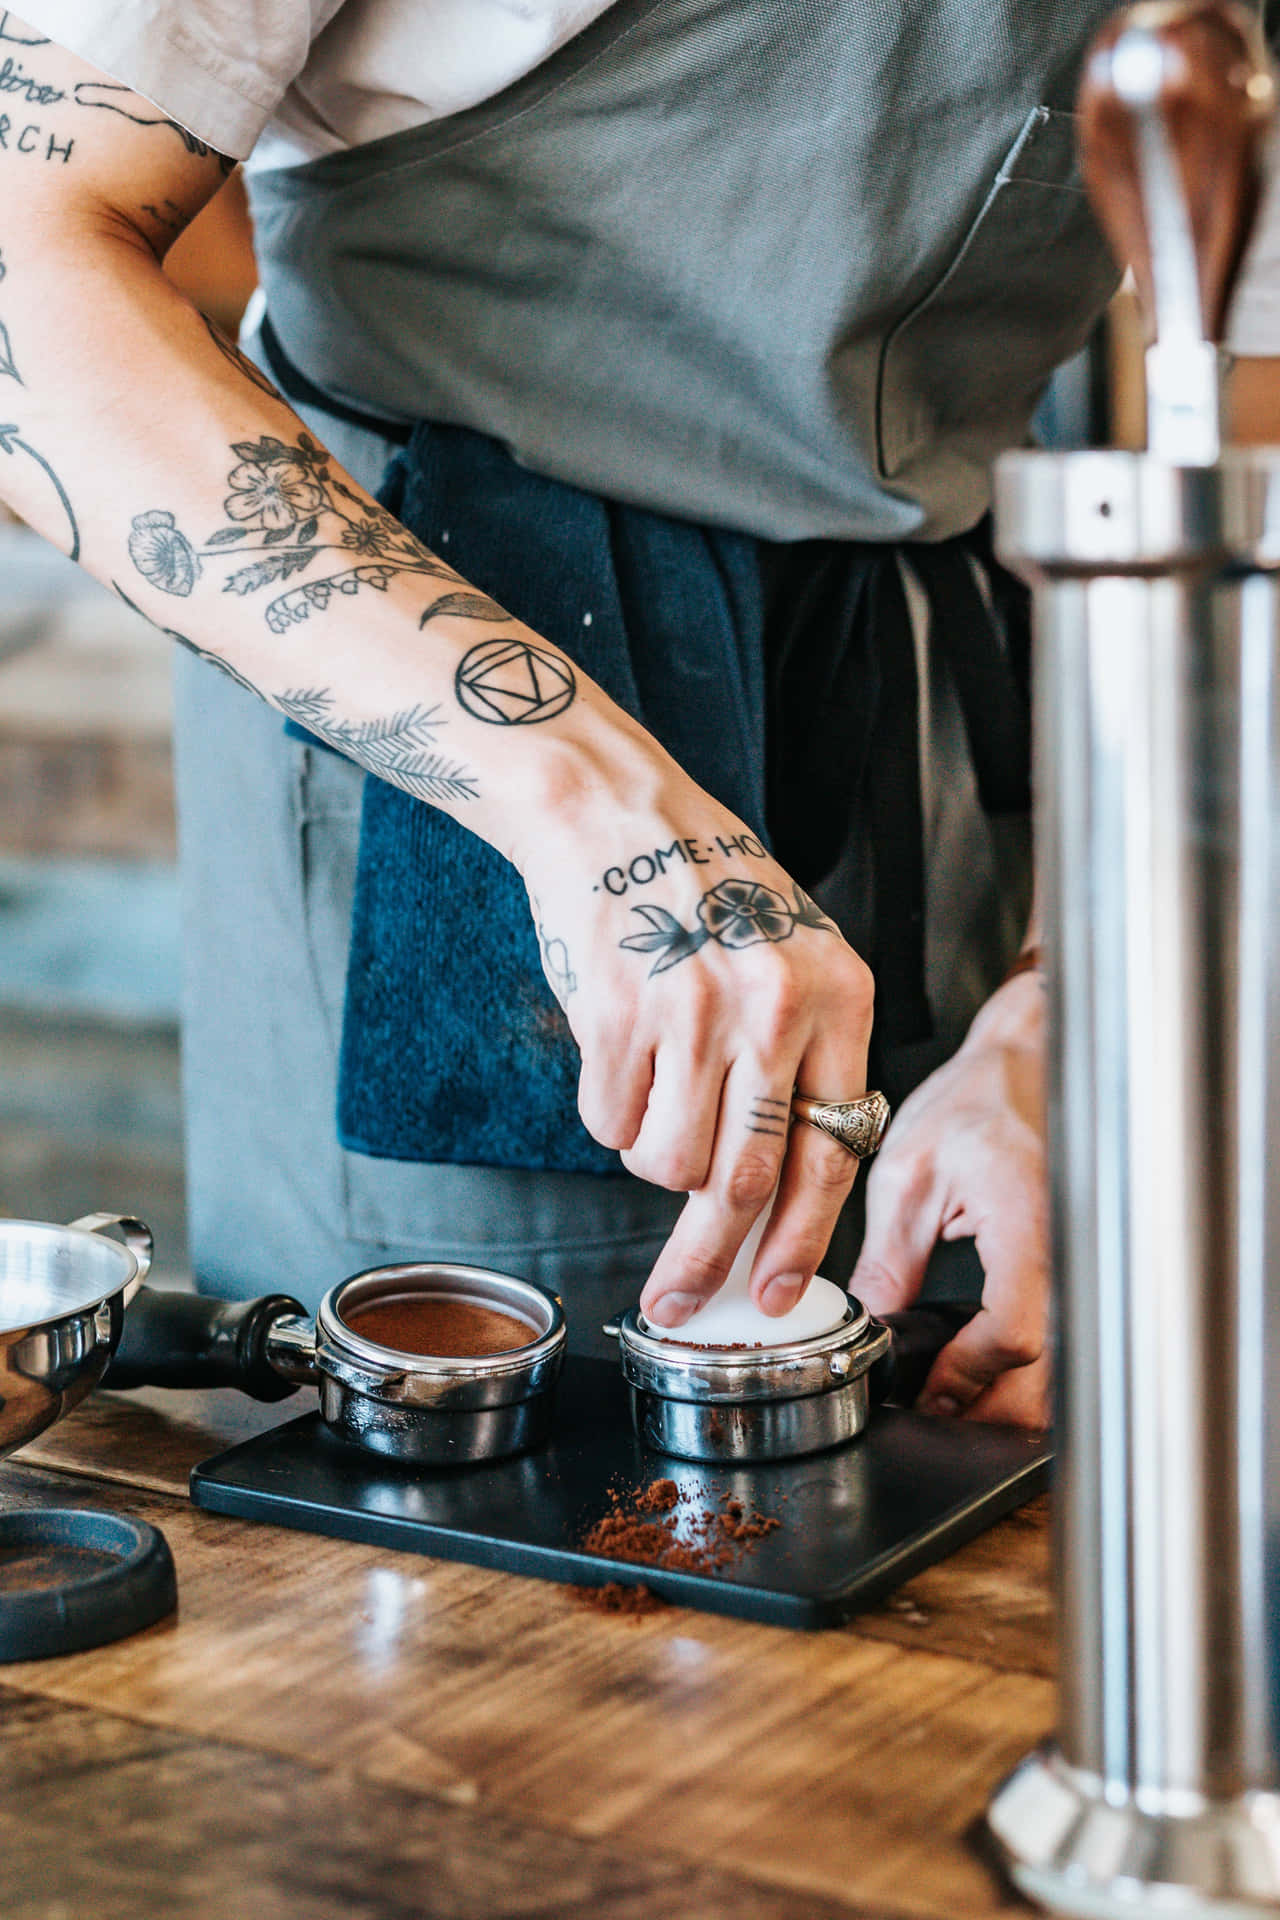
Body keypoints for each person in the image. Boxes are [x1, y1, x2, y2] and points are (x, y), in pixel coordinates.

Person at [1, 1, 1274, 1429]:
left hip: (954, 764)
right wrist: (598, 813)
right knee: (461, 1534)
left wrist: (1078, 993)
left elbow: (1244, 423)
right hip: (455, 776)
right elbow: (18, 273)